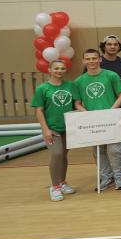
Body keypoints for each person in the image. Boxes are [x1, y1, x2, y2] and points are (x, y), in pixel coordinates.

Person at [74, 49, 121, 191]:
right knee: (99, 150)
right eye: (88, 59)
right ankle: (106, 177)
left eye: (94, 58)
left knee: (115, 149)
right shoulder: (79, 81)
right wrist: (86, 114)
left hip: (111, 118)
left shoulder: (111, 75)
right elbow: (77, 103)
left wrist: (111, 110)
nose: (91, 61)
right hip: (92, 121)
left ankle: (119, 177)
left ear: (100, 59)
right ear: (83, 61)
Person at [33, 60, 79, 202]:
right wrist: (46, 130)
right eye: (56, 68)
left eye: (62, 68)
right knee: (57, 154)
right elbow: (39, 110)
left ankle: (62, 182)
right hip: (52, 128)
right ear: (49, 70)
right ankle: (54, 187)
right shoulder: (42, 88)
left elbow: (77, 104)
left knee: (63, 155)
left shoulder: (71, 85)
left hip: (68, 127)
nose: (59, 71)